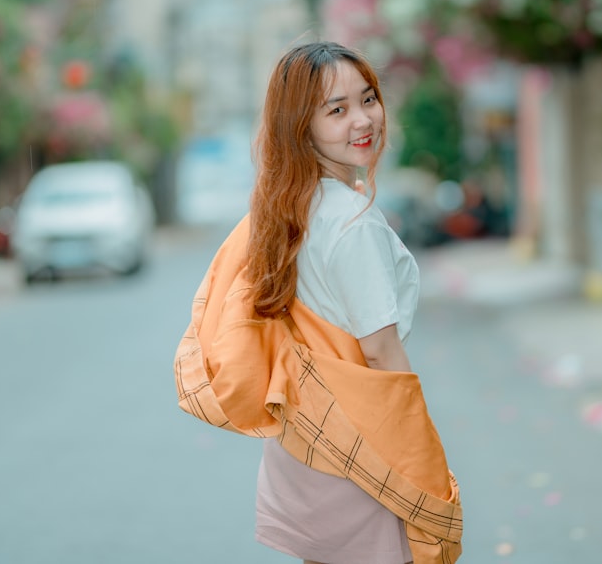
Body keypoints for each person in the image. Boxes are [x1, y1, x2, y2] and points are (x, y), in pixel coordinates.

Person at [173, 41, 462, 564]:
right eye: (337, 109)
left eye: (368, 98)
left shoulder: (284, 212)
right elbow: (380, 353)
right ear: (300, 126)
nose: (363, 119)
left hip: (301, 447)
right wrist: (421, 463)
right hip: (357, 451)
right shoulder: (352, 223)